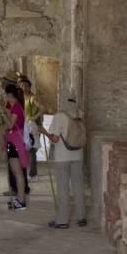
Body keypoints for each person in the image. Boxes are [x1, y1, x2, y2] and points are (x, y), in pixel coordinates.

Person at [44, 94, 87, 228]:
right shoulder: (80, 114)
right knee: (78, 187)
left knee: (63, 188)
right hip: (78, 154)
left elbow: (55, 138)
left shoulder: (60, 116)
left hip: (63, 157)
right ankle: (81, 218)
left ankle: (62, 220)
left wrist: (44, 132)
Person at [3, 84, 30, 210]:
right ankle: (19, 199)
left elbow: (9, 125)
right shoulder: (14, 107)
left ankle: (21, 201)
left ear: (10, 95)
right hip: (13, 141)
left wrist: (3, 114)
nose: (5, 97)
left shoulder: (16, 108)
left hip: (16, 142)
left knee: (18, 172)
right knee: (16, 172)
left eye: (6, 95)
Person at [18, 76, 43, 179]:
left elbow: (42, 108)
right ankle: (28, 171)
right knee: (25, 150)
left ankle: (33, 174)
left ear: (29, 87)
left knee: (32, 150)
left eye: (26, 86)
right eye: (22, 86)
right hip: (23, 127)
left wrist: (34, 117)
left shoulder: (32, 98)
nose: (24, 88)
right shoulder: (21, 98)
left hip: (32, 127)